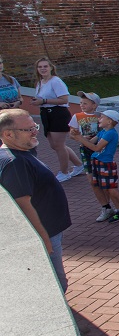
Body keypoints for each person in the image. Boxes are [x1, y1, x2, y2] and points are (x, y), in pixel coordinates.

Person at [0, 109, 72, 291]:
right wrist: (43, 239)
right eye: (29, 129)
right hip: (44, 234)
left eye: (35, 126)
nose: (35, 132)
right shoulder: (15, 163)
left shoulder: (22, 152)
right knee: (57, 284)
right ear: (8, 134)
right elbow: (22, 204)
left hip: (49, 230)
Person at [69, 109, 119, 225]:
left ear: (110, 121)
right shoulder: (102, 132)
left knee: (113, 190)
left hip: (106, 165)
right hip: (98, 163)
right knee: (108, 189)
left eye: (102, 117)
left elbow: (96, 148)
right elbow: (90, 142)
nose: (99, 119)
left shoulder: (111, 133)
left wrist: (80, 138)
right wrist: (77, 136)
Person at [31, 57, 84, 182]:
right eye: (40, 67)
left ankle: (64, 172)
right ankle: (78, 165)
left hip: (58, 114)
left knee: (59, 145)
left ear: (51, 67)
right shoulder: (40, 82)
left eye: (45, 66)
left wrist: (44, 101)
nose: (43, 69)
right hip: (46, 114)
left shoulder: (56, 81)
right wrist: (37, 101)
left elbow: (64, 99)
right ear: (37, 69)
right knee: (55, 145)